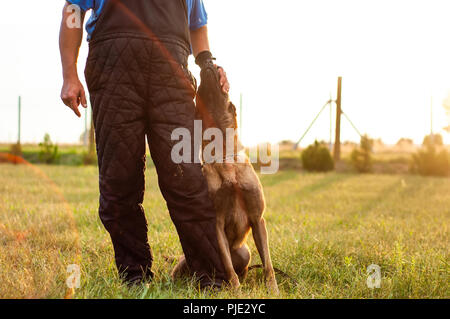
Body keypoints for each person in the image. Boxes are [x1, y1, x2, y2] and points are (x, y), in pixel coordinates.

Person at [59, 0, 230, 288]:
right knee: (119, 180)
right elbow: (72, 11)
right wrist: (69, 74)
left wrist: (208, 64)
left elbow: (197, 23)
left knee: (187, 177)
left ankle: (212, 278)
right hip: (113, 68)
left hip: (171, 71)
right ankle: (135, 276)